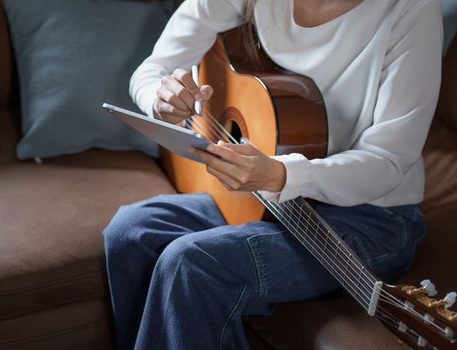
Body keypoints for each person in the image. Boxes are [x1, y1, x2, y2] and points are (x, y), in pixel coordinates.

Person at [103, 0, 443, 348]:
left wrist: (280, 175)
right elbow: (153, 71)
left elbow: (387, 162)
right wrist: (161, 100)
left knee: (194, 264)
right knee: (131, 231)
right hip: (265, 200)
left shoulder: (411, 9)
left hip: (370, 219)